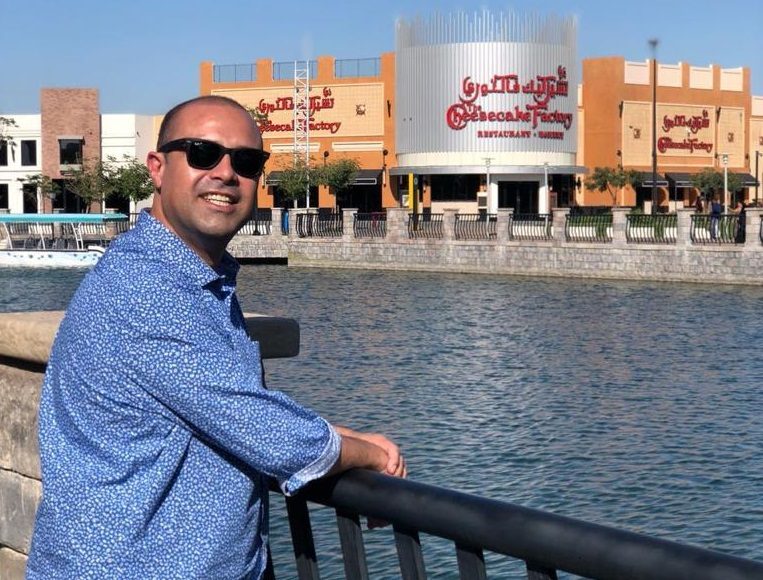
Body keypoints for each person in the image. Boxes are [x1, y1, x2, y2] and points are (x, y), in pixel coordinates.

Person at [26, 95, 406, 580]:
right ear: (158, 168)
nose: (226, 173)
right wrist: (372, 455)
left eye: (246, 162)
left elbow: (232, 404)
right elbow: (271, 435)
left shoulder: (188, 279)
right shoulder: (145, 289)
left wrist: (346, 437)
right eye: (203, 153)